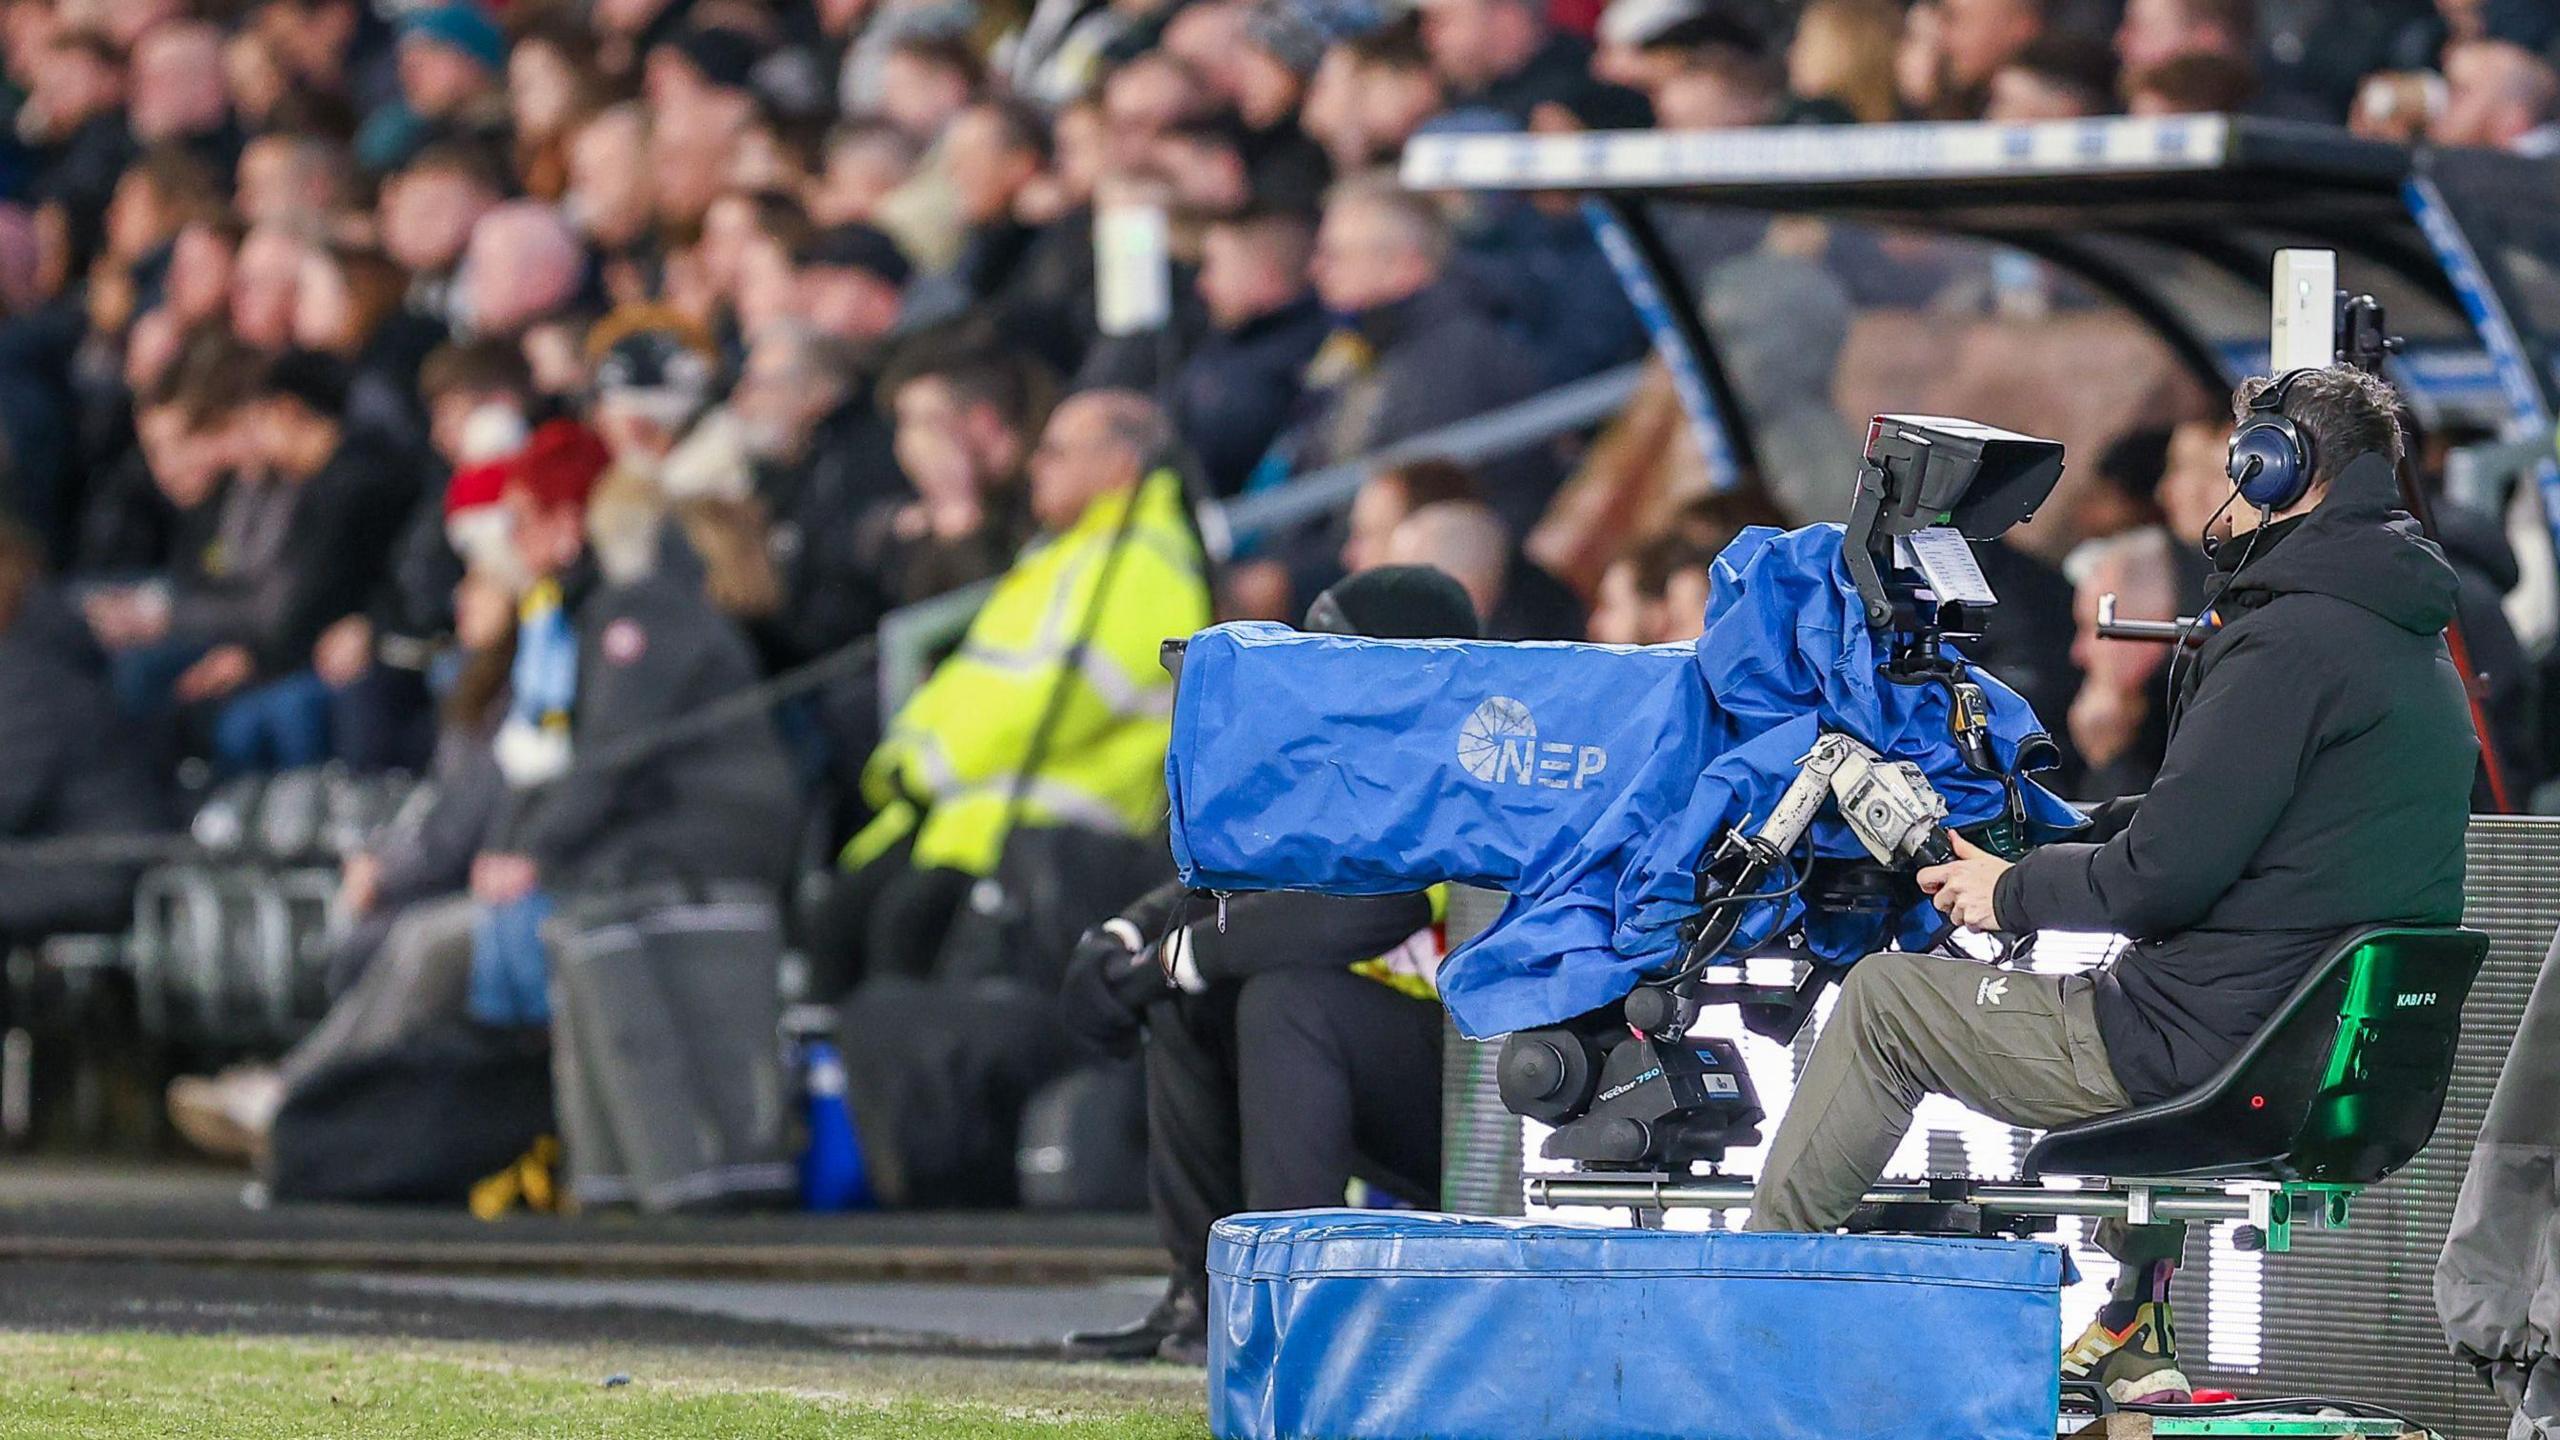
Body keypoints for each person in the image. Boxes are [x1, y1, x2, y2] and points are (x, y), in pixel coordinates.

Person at [1744, 366, 2478, 1408]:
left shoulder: (2287, 640)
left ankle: (1747, 1305)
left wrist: (2008, 891)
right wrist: (2080, 841)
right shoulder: (2403, 638)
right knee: (2133, 970)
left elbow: (2159, 884)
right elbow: (2243, 835)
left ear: (2272, 466)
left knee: (1885, 1003)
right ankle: (2133, 1325)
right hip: (2299, 1045)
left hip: (2199, 1048)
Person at [1058, 564, 1480, 1366]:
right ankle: (1203, 1303)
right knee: (1199, 996)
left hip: (1480, 1101)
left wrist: (1177, 957)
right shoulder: (1337, 760)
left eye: (1332, 651)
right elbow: (1220, 875)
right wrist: (1119, 942)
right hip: (1371, 1073)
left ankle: (1293, 1313)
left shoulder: (1465, 754)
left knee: (1286, 998)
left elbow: (1379, 907)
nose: (1309, 671)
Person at [482, 418, 802, 1213]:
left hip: (706, 841)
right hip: (688, 831)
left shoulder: (641, 614)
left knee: (591, 904)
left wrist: (535, 851)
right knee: (578, 894)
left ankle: (668, 1174)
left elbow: (612, 753)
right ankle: (617, 1174)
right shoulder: (617, 610)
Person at [824, 391, 1210, 993]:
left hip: (1039, 845)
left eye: (1056, 451)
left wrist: (925, 766)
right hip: (970, 824)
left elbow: (1054, 702)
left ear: (1119, 466)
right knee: (841, 922)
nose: (1037, 465)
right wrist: (902, 762)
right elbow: (969, 679)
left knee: (890, 954)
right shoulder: (1061, 557)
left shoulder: (1143, 562)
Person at [1173, 208, 1328, 498]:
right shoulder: (1226, 338)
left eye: (1214, 267)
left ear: (1266, 276)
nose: (1202, 285)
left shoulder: (1298, 361)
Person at [2063, 524, 2179, 801]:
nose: (2078, 653)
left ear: (2148, 627)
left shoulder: (2194, 713)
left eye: (2092, 628)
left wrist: (2109, 754)